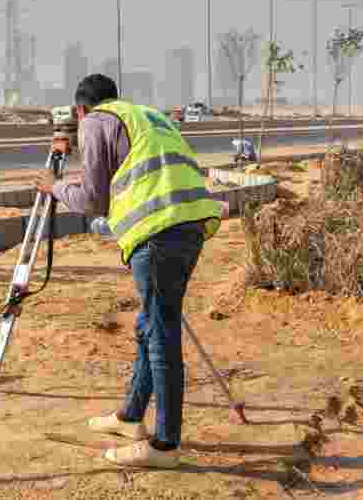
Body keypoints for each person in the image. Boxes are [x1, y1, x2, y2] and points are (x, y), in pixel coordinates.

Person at [34, 73, 223, 469]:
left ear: (81, 109)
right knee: (151, 324)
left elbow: (92, 199)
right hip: (189, 225)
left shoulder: (95, 122)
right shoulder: (147, 116)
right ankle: (131, 417)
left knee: (161, 334)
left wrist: (53, 185)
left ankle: (166, 444)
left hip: (158, 233)